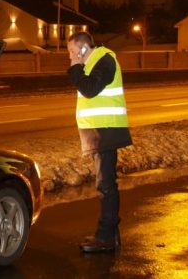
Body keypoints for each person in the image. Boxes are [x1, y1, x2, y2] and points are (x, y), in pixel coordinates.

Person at [66, 31, 132, 253]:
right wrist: (77, 68)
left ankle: (105, 236)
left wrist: (75, 68)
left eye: (73, 52)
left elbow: (90, 89)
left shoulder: (104, 60)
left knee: (105, 185)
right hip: (99, 131)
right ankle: (110, 234)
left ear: (84, 48)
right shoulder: (94, 62)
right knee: (105, 184)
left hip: (106, 130)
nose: (71, 57)